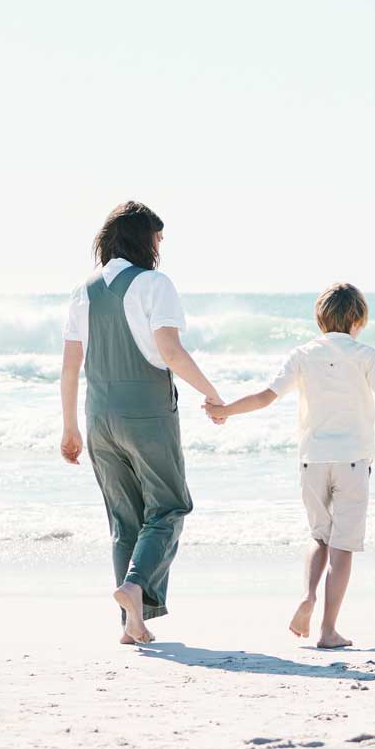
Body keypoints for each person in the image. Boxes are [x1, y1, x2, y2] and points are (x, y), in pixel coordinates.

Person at [202, 283, 375, 648]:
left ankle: (308, 596)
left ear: (320, 318)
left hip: (312, 460)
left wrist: (225, 410)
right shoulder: (366, 355)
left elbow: (265, 397)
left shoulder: (303, 354)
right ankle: (327, 630)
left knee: (319, 537)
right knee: (343, 548)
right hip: (353, 460)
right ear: (358, 318)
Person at [58, 201, 225, 645]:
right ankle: (134, 588)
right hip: (146, 410)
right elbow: (169, 351)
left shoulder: (83, 290)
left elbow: (70, 366)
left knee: (124, 520)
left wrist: (69, 427)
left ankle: (132, 624)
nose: (159, 246)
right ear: (142, 238)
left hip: (98, 414)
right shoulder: (155, 284)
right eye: (158, 237)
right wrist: (211, 392)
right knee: (169, 506)